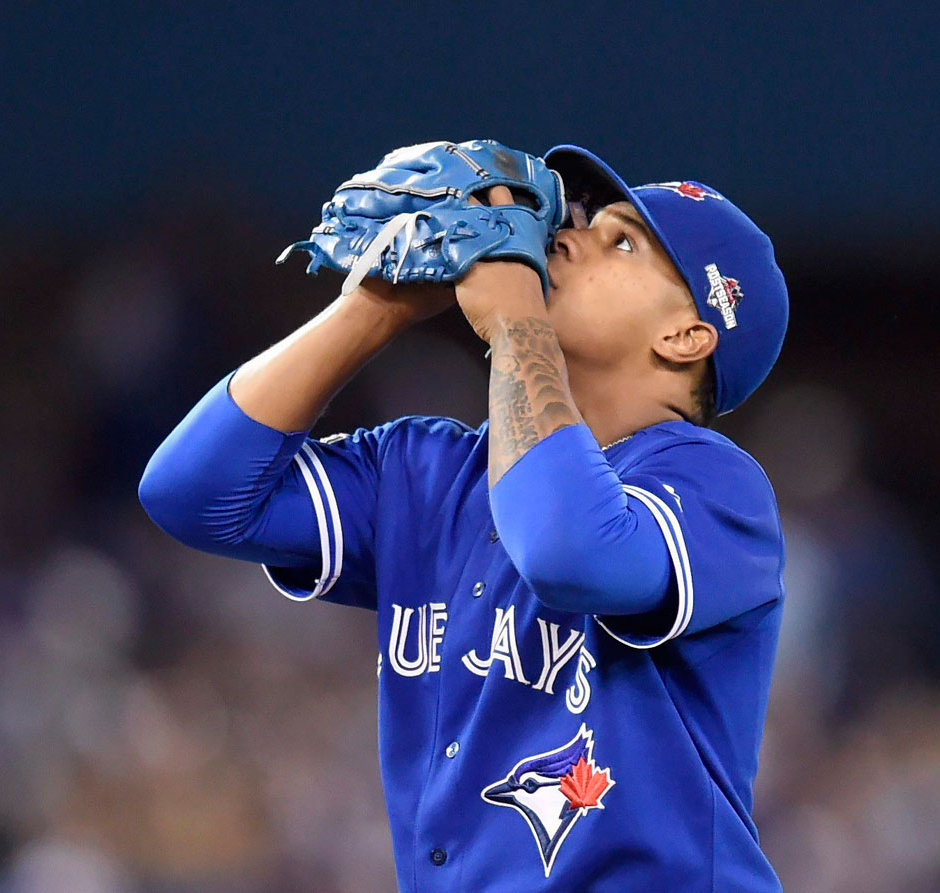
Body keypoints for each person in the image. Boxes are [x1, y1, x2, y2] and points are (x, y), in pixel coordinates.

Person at [138, 143, 790, 890]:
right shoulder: (428, 471)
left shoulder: (715, 485)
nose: (564, 235)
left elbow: (569, 550)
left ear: (685, 335)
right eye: (577, 218)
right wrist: (371, 308)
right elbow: (193, 494)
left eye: (621, 241)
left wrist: (518, 326)